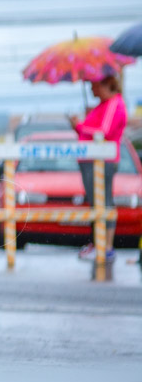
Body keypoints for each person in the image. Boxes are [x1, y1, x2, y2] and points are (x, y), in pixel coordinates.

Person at [70, 74, 126, 261]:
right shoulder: (102, 106)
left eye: (94, 85)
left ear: (105, 85)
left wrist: (79, 126)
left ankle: (107, 246)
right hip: (91, 161)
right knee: (96, 203)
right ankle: (98, 242)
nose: (91, 89)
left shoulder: (114, 104)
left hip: (103, 162)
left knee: (104, 202)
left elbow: (104, 132)